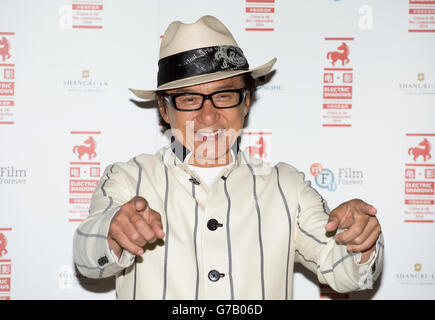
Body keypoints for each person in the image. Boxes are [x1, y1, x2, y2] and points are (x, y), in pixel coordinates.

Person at [73, 15, 383, 300]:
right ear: (164, 109)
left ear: (246, 102)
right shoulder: (127, 179)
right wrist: (114, 232)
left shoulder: (287, 186)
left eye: (223, 96)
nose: (209, 116)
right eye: (189, 99)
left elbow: (347, 273)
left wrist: (361, 239)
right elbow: (88, 260)